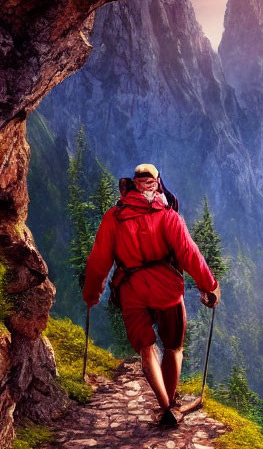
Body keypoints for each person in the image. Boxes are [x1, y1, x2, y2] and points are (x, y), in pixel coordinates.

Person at [82, 163, 220, 426]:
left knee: (147, 347)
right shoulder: (168, 216)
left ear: (133, 183)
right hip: (166, 288)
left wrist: (92, 292)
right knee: (173, 346)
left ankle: (165, 404)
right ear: (158, 183)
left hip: (131, 290)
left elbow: (99, 259)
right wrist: (209, 285)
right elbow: (189, 254)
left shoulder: (115, 217)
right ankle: (170, 403)